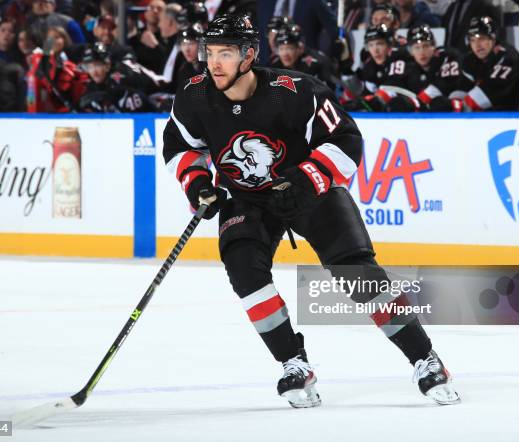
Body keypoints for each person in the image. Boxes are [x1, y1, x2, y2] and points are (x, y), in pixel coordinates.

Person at [162, 13, 461, 408]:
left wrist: (306, 179)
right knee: (244, 273)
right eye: (210, 53)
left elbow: (347, 139)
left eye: (226, 54)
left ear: (249, 55)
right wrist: (198, 183)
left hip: (308, 190)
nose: (214, 63)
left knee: (357, 272)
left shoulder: (296, 91)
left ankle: (424, 356)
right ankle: (294, 364)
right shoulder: (195, 95)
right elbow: (180, 147)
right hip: (247, 198)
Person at [461, 16, 519, 111]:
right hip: (488, 119)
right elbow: (458, 92)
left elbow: (475, 100)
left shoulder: (510, 59)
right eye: (472, 40)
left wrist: (455, 104)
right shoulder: (470, 61)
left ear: (493, 39)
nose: (477, 45)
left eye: (482, 38)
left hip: (514, 120)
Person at [78, 43, 156, 113]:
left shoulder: (122, 78)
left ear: (107, 65)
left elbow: (144, 106)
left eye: (97, 65)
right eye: (89, 67)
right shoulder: (91, 86)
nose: (94, 72)